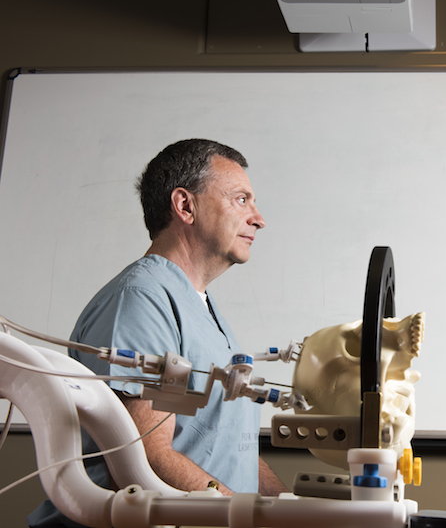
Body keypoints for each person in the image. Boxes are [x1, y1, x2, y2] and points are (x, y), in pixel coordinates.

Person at [29, 139, 287, 527]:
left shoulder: (201, 309)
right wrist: (247, 517)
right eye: (241, 200)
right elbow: (146, 457)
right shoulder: (142, 302)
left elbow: (230, 450)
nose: (258, 218)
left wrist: (289, 505)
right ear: (185, 206)